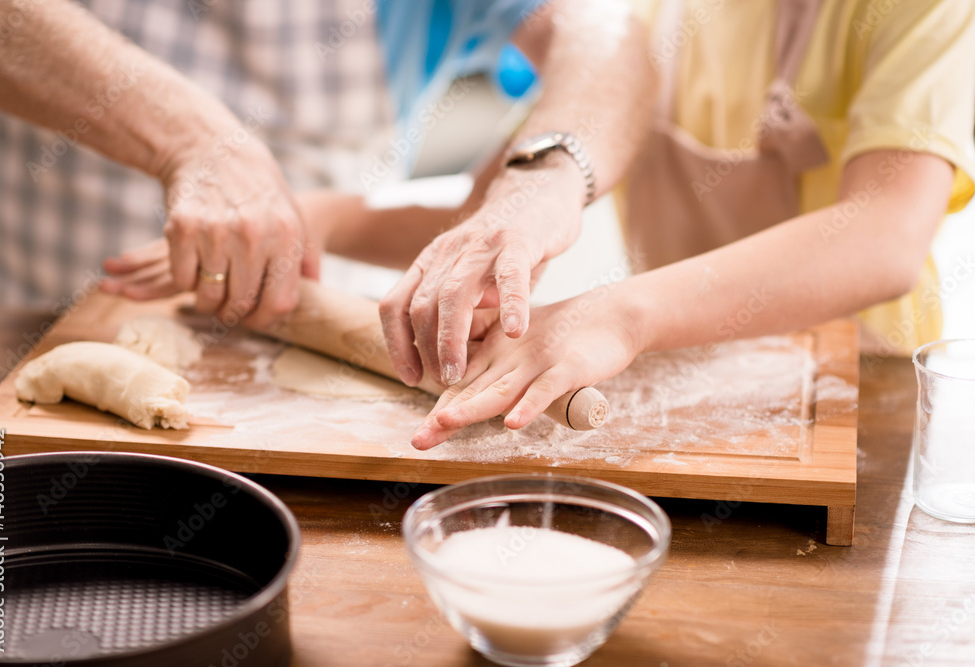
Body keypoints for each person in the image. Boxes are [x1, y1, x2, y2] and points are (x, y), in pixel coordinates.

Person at [371, 0, 975, 449]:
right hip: (667, 390)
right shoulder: (647, 14)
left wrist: (622, 315)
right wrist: (311, 224)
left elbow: (883, 237)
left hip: (860, 401)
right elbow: (486, 215)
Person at [0, 0, 649, 336]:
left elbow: (602, 29)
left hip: (308, 314)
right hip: (29, 314)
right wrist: (195, 140)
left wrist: (542, 179)